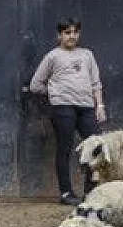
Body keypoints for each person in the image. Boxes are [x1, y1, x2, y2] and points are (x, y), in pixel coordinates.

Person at [27, 18, 107, 205]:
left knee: (96, 147)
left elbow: (96, 83)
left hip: (86, 107)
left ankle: (91, 191)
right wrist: (55, 93)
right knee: (65, 148)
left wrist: (100, 106)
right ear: (59, 35)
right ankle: (66, 193)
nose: (72, 36)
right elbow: (35, 85)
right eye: (67, 32)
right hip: (63, 108)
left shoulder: (87, 55)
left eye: (75, 32)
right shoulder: (53, 56)